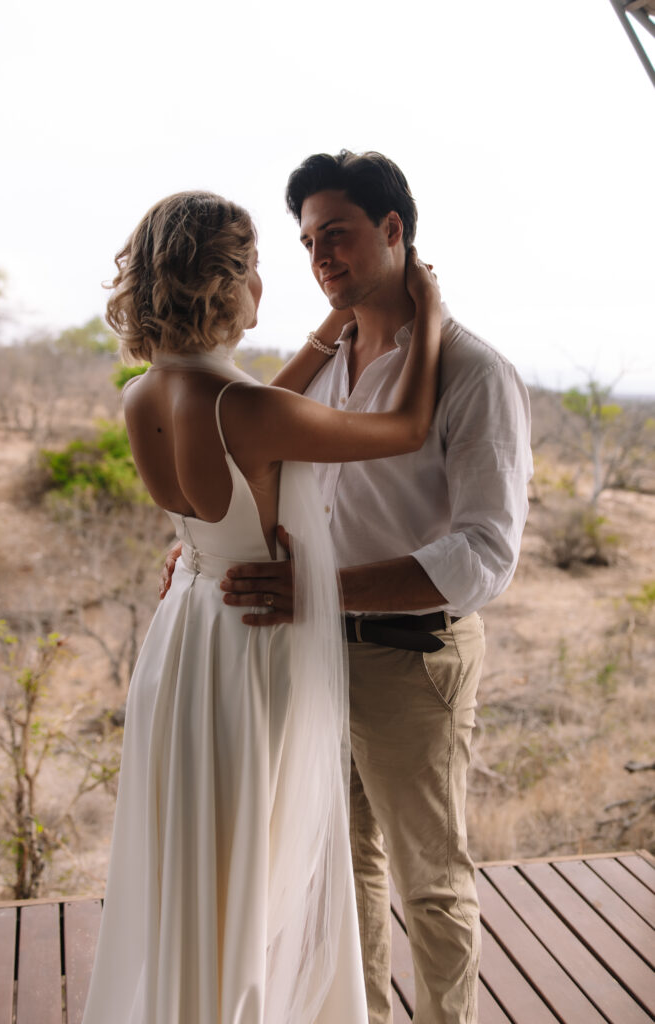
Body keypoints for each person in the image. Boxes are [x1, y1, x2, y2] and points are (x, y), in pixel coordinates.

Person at [81, 189, 443, 1024]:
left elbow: (242, 420)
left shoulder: (143, 395)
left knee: (194, 857)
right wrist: (428, 318)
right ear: (224, 284)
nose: (263, 289)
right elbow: (408, 425)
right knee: (251, 858)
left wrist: (325, 340)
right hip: (252, 646)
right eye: (254, 270)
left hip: (184, 642)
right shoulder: (249, 410)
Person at [198, 151, 534, 1024]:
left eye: (337, 235)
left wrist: (320, 590)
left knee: (430, 880)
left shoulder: (472, 371)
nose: (320, 259)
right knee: (339, 870)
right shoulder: (326, 363)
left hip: (410, 659)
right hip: (312, 656)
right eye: (308, 242)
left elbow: (485, 552)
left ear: (394, 231)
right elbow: (246, 456)